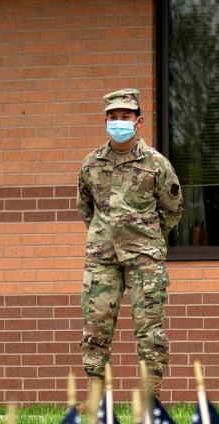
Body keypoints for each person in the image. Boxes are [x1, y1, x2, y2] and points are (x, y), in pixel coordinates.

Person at [77, 88, 183, 399]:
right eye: (113, 117)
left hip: (144, 258)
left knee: (150, 329)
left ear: (139, 122)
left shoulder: (156, 164)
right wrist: (105, 233)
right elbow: (86, 208)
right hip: (102, 258)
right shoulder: (90, 164)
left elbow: (173, 209)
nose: (119, 122)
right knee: (95, 327)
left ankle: (151, 393)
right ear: (105, 120)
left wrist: (147, 235)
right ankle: (96, 396)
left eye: (126, 116)